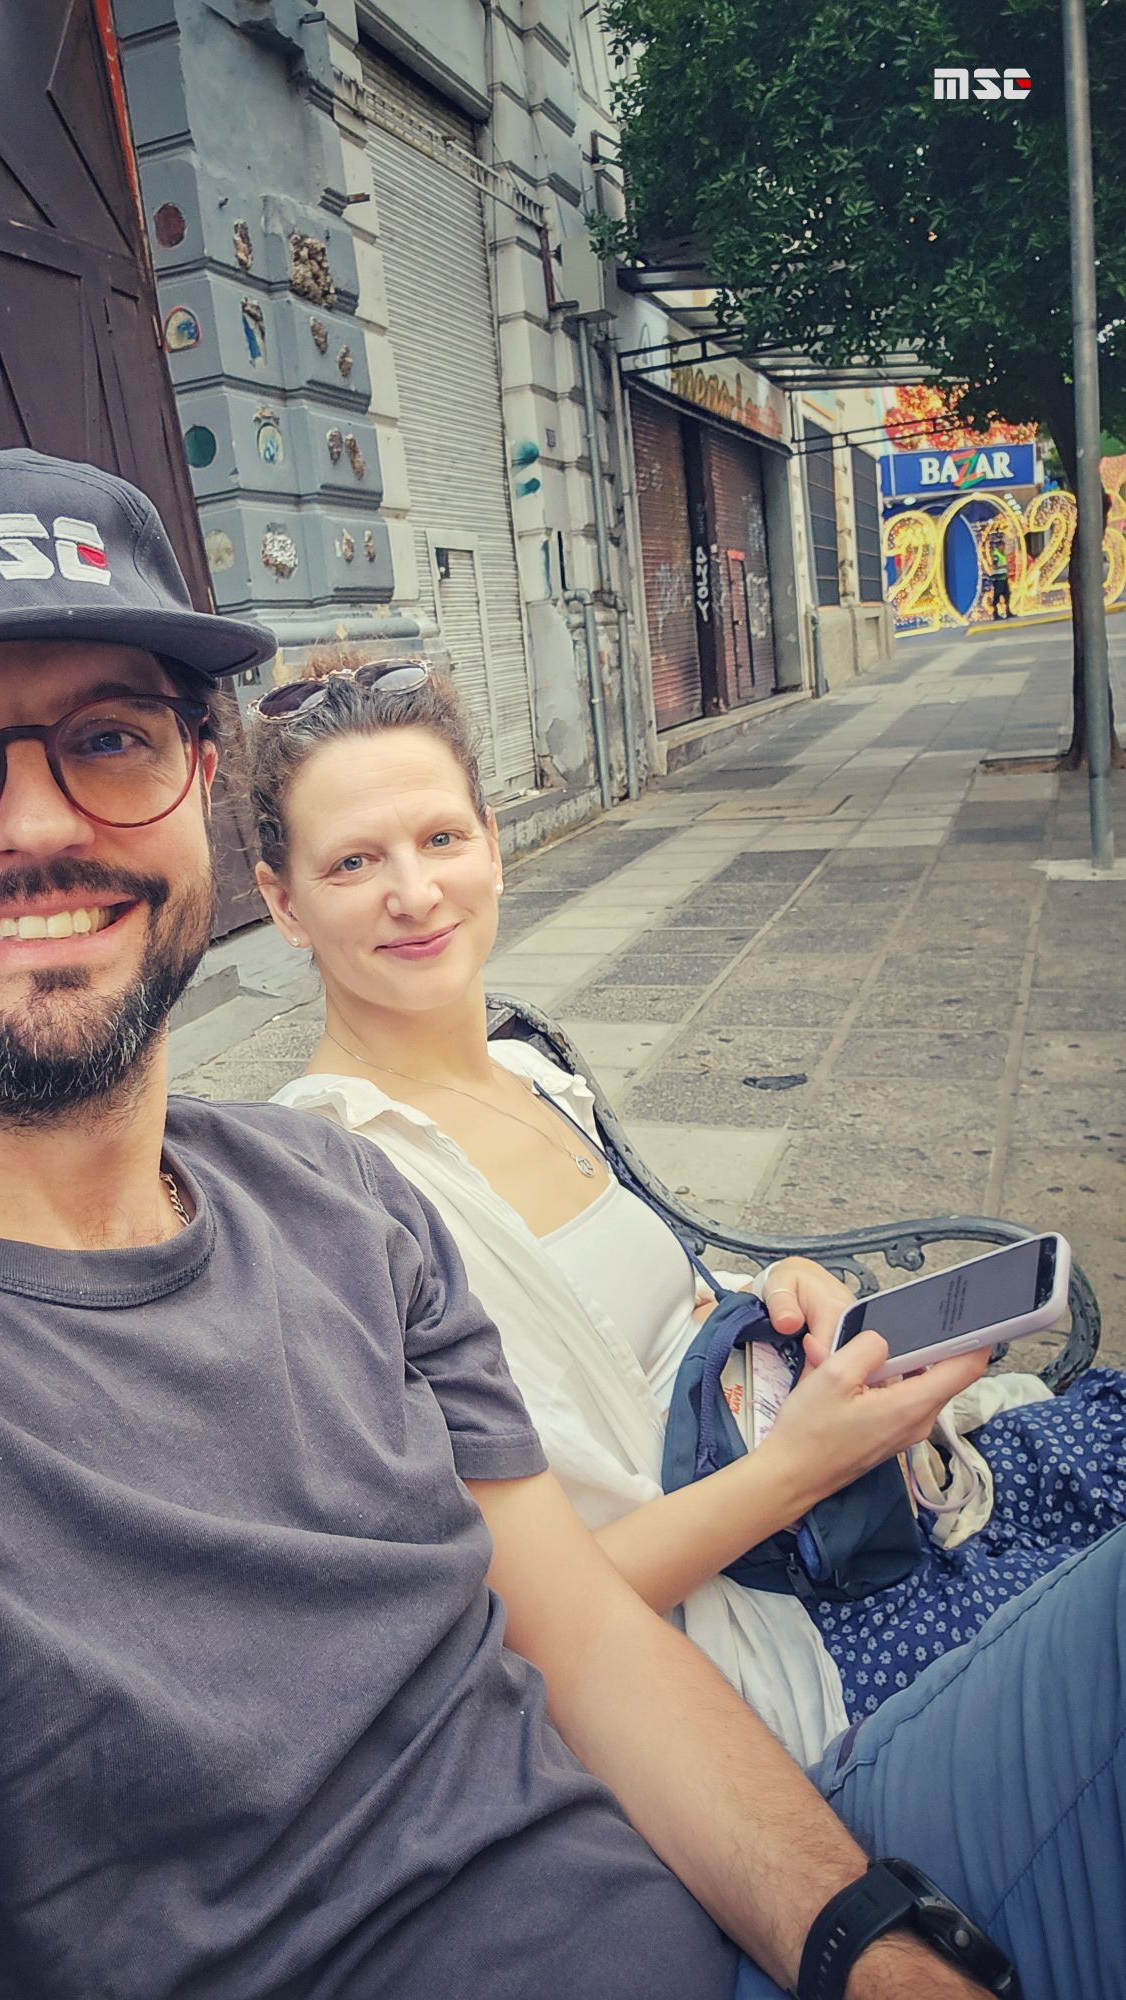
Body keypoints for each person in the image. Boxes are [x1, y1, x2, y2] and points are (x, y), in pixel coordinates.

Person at [0, 450, 1116, 2000]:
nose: (38, 824)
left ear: (196, 791)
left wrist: (867, 1948)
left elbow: (584, 1643)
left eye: (111, 737)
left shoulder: (331, 1199)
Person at [258, 669, 1126, 1758]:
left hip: (835, 1507)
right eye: (352, 862)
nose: (415, 891)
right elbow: (522, 1624)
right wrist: (800, 1467)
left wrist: (774, 1294)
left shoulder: (525, 1071)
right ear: (282, 904)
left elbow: (654, 1324)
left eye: (440, 838)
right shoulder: (333, 1191)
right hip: (771, 1642)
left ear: (492, 842)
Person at [986, 541, 1013, 618]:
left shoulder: (1002, 554)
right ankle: (995, 614)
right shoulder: (996, 555)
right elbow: (994, 567)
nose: (1004, 548)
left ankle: (1008, 612)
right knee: (997, 596)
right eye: (1003, 546)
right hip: (998, 579)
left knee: (1007, 595)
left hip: (1004, 578)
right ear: (999, 546)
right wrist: (1004, 566)